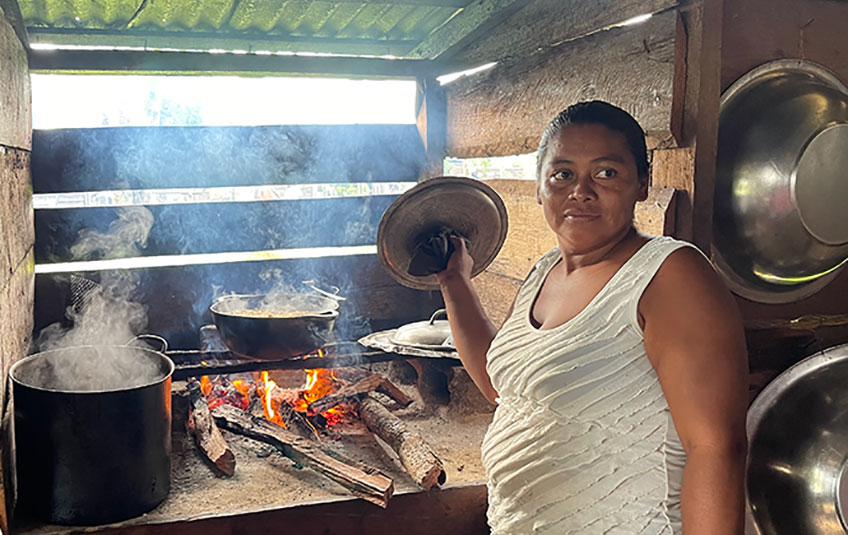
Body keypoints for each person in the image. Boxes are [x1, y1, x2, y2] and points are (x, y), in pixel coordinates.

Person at [435, 101, 748, 534]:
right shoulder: (543, 271)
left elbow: (715, 447)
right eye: (562, 173)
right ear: (540, 186)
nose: (580, 190)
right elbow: (504, 388)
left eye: (605, 172)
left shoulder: (669, 275)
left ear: (642, 184)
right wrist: (455, 283)